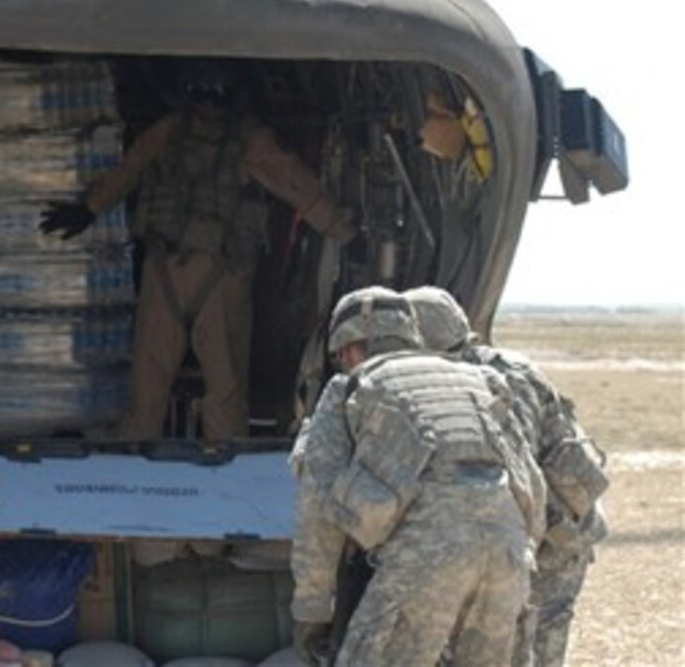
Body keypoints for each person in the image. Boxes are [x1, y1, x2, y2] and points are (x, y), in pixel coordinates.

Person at [40, 61, 356, 440]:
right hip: (177, 268)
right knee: (162, 381)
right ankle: (154, 456)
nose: (208, 105)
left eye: (216, 95)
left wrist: (341, 228)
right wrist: (88, 209)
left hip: (211, 269)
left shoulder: (239, 139)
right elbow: (131, 167)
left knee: (209, 383)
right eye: (201, 93)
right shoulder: (177, 132)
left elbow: (296, 184)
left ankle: (209, 459)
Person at [291, 286, 541, 667]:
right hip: (507, 554)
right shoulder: (476, 382)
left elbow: (319, 509)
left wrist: (312, 609)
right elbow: (531, 487)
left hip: (422, 560)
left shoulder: (349, 388)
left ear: (347, 351)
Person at [403, 285, 609, 667]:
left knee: (530, 643)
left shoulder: (491, 380)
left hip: (555, 535)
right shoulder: (490, 368)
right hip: (551, 527)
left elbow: (517, 475)